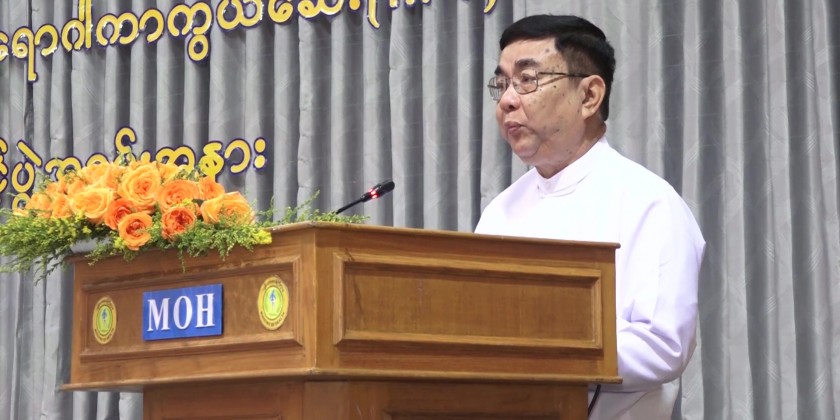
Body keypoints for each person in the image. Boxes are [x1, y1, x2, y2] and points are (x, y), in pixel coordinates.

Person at [474, 14, 706, 419]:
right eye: (502, 83)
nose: (507, 100)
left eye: (527, 79)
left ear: (589, 96)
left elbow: (663, 346)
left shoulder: (648, 202)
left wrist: (541, 343)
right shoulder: (500, 211)